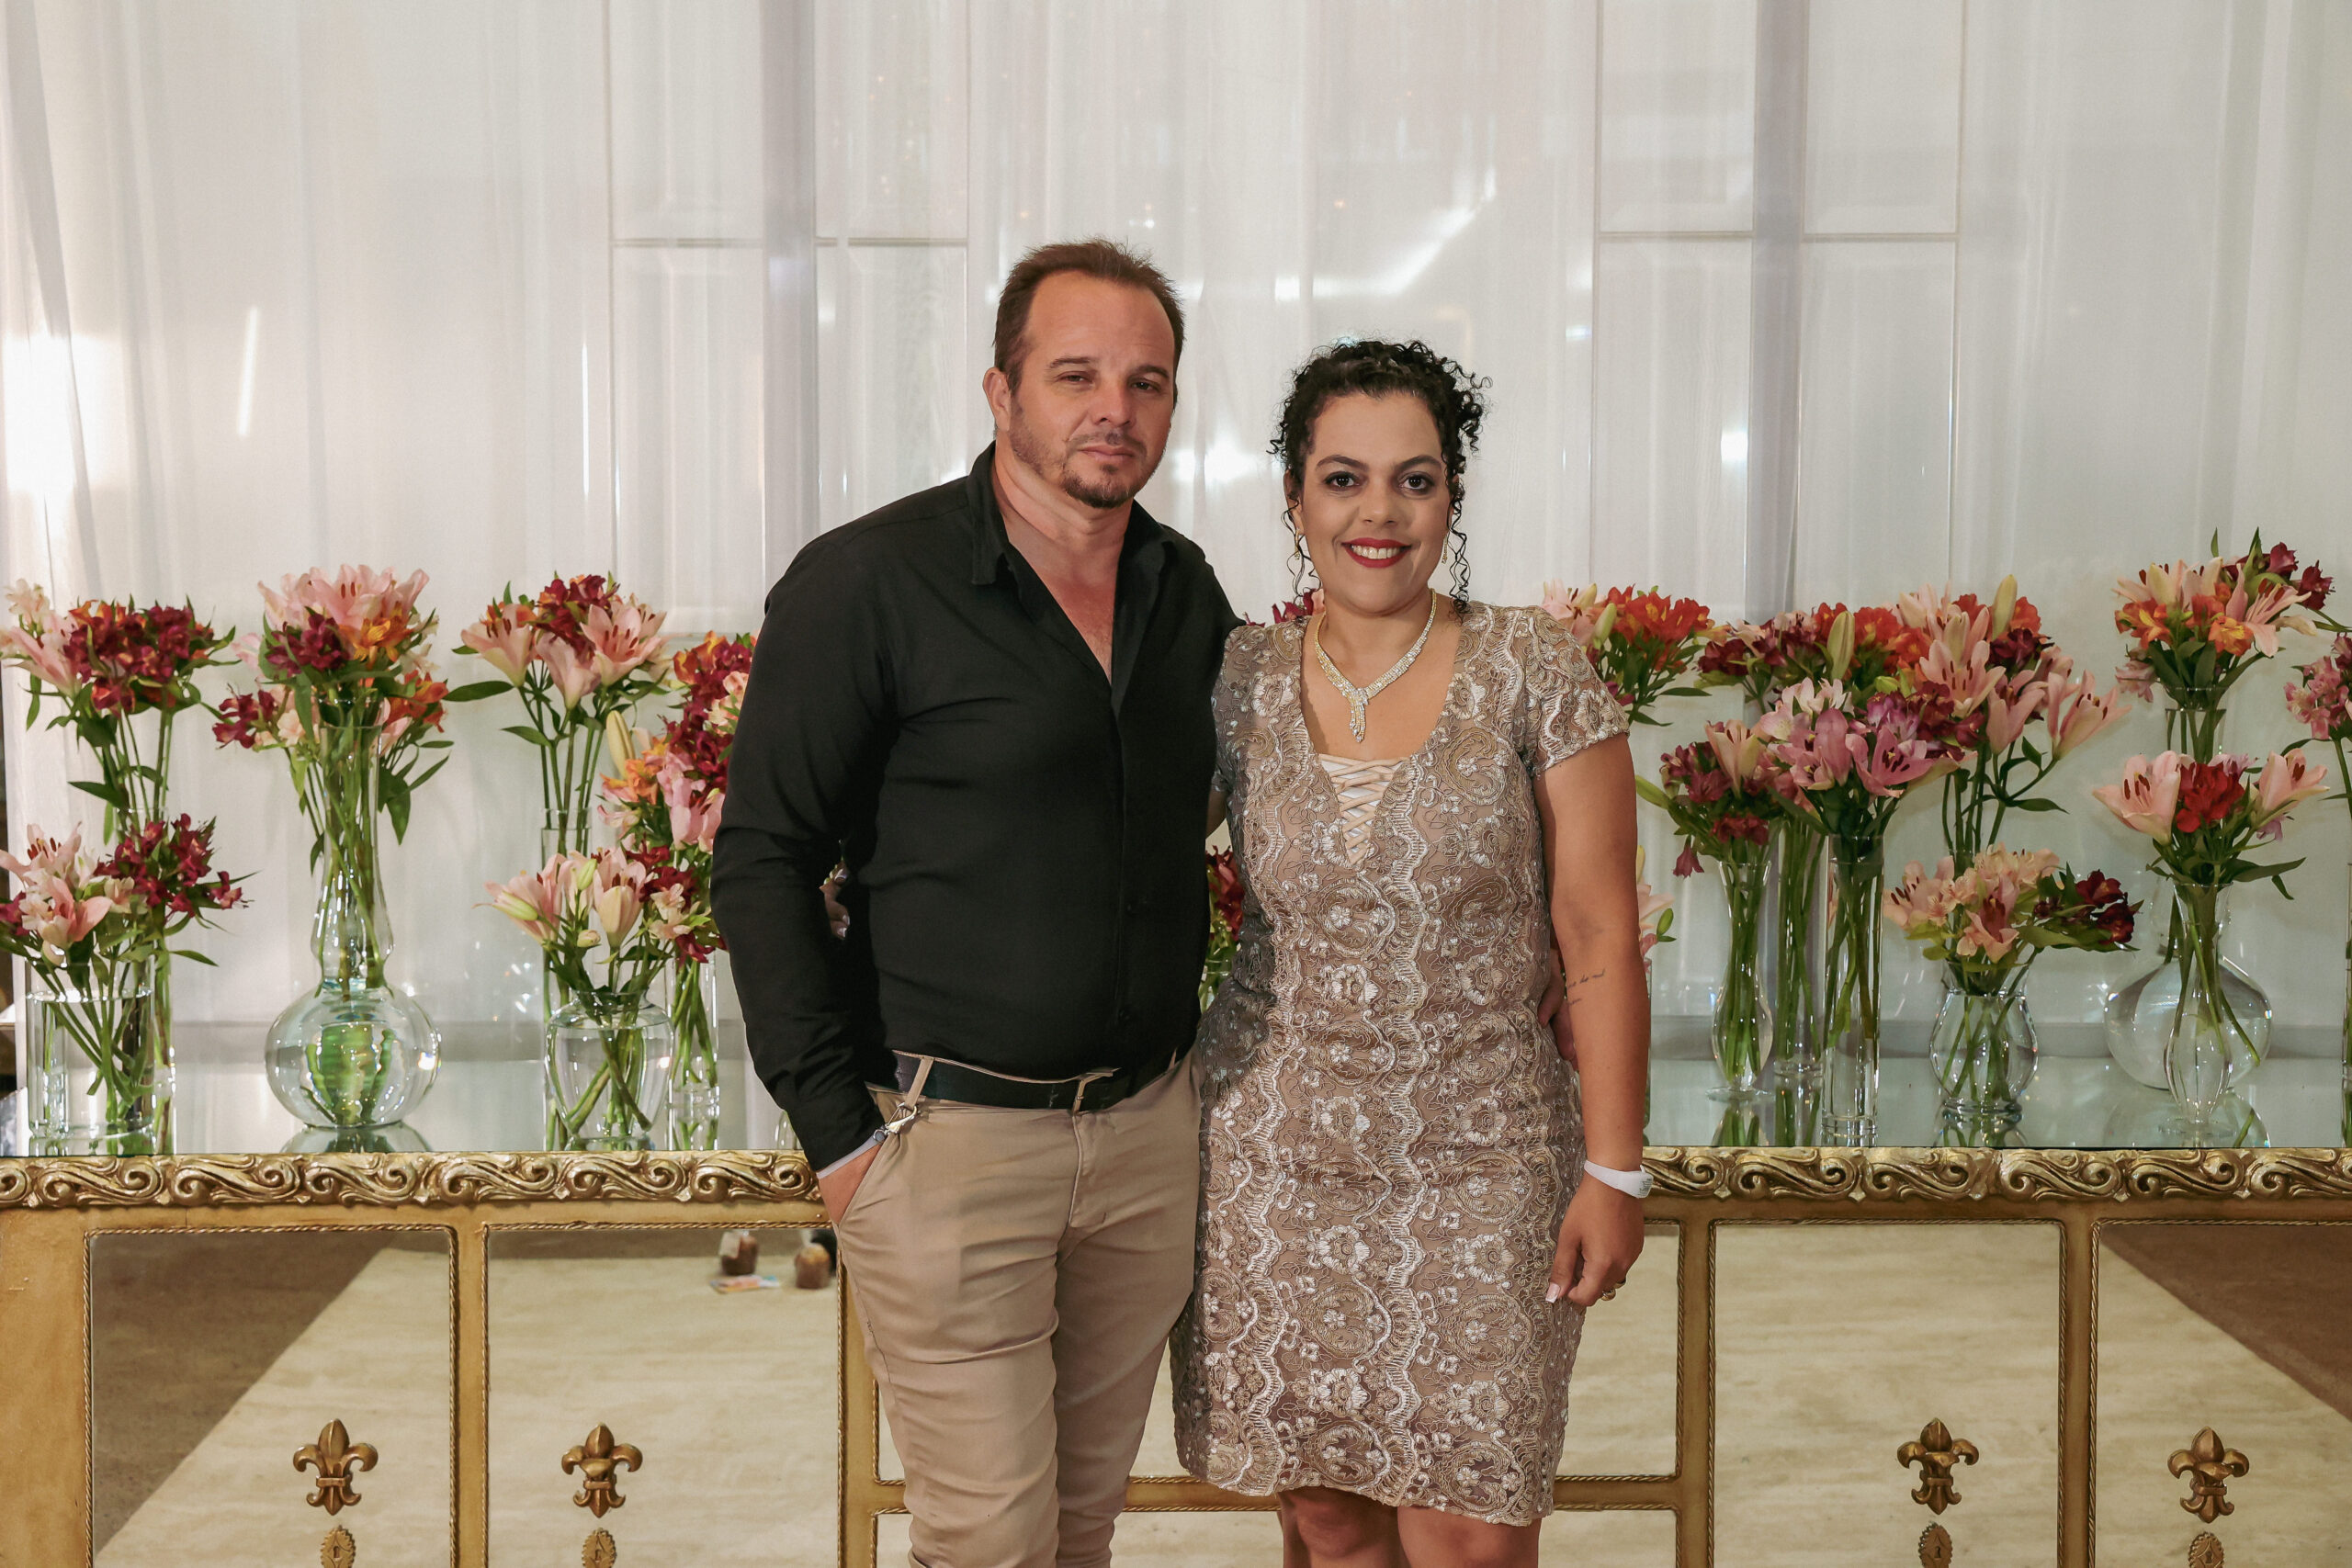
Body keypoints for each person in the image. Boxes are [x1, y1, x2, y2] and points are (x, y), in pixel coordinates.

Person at [712, 238, 1237, 1568]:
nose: (1114, 408)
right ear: (1001, 391)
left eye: (1146, 381)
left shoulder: (1186, 593)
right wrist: (841, 1141)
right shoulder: (868, 582)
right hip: (947, 1144)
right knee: (989, 1537)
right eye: (1075, 375)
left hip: (1144, 1140)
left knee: (1079, 1528)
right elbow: (763, 858)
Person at [1170, 340, 1650, 1568]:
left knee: (1472, 1535)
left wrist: (1617, 1171)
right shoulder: (1236, 678)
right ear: (1294, 498)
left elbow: (1599, 931)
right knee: (1328, 1518)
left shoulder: (1534, 665)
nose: (1377, 513)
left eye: (1414, 480)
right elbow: (1123, 858)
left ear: (1453, 496)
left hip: (1485, 1155)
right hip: (1272, 1158)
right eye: (1343, 479)